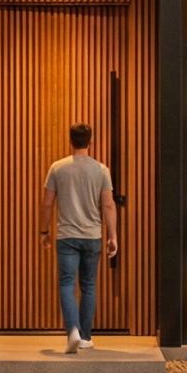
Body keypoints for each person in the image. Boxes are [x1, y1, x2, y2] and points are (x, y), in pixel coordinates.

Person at [40, 123, 119, 354]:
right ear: (90, 141)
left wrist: (43, 231)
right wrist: (112, 235)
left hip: (66, 237)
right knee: (89, 286)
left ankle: (72, 331)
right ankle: (85, 337)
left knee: (66, 283)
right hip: (92, 236)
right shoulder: (101, 170)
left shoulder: (57, 168)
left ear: (70, 141)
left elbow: (47, 203)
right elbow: (108, 204)